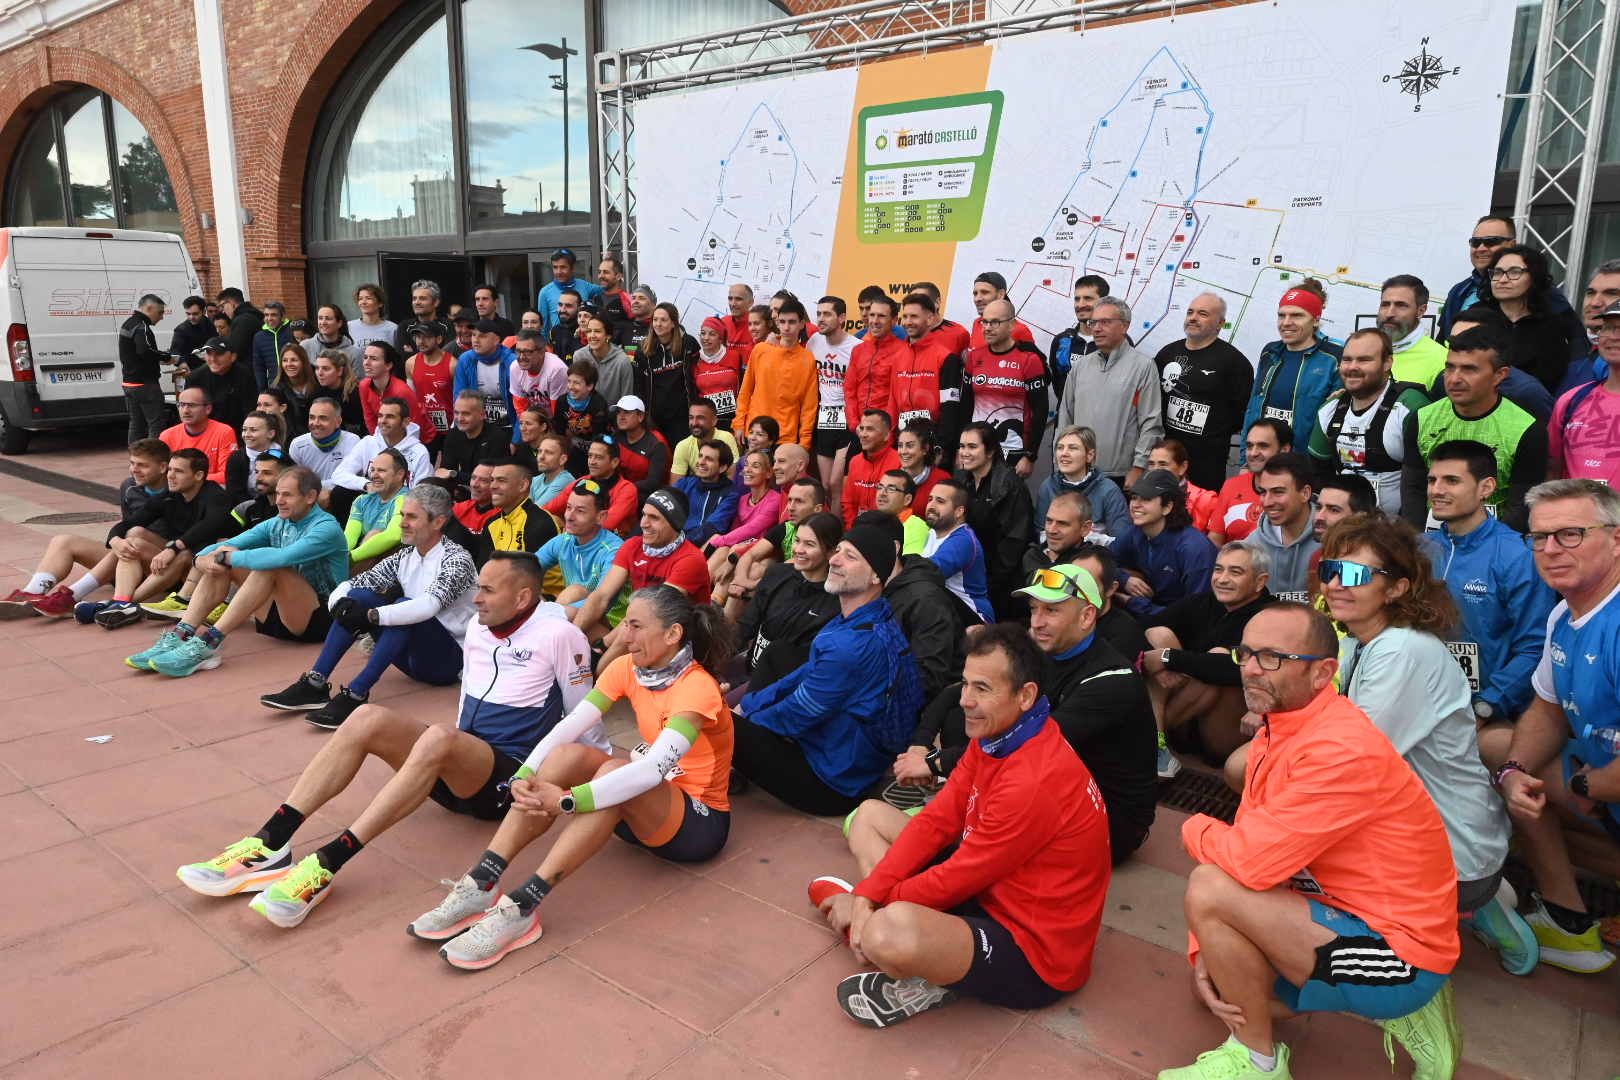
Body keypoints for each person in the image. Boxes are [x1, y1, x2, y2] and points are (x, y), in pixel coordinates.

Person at [176, 552, 593, 929]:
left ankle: (326, 864)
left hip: (506, 784)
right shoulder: (480, 629)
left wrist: (591, 788)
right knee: (366, 717)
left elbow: (582, 716)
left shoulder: (559, 635)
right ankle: (270, 843)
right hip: (458, 766)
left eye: (487, 589)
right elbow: (467, 696)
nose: (476, 598)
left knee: (439, 738)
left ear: (522, 599)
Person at [1166, 603, 1462, 1080]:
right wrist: (1202, 949)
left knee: (1209, 885)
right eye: (1246, 654)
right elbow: (1248, 843)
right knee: (1223, 992)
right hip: (1334, 906)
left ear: (1324, 673)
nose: (1250, 670)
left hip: (1399, 950)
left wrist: (1191, 827)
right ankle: (1275, 1019)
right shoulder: (1282, 723)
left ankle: (1259, 1061)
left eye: (1272, 658)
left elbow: (1246, 863)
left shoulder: (1338, 749)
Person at [421, 585, 734, 969]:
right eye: (626, 626)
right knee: (570, 756)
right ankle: (482, 880)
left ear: (672, 635)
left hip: (697, 824)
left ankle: (522, 906)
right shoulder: (628, 669)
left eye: (636, 626)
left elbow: (651, 771)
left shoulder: (697, 687)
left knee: (619, 773)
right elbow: (570, 726)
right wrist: (526, 770)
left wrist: (568, 801)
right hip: (641, 811)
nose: (624, 636)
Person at [817, 624, 1109, 1028]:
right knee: (868, 815)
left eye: (983, 689)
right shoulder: (1000, 735)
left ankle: (924, 965)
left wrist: (875, 904)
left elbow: (958, 876)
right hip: (989, 891)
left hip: (1035, 952)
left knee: (888, 933)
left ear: (1025, 696)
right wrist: (870, 894)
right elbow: (938, 820)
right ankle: (897, 933)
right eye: (966, 684)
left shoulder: (1034, 779)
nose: (966, 701)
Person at [1320, 515, 1533, 975]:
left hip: (1452, 860)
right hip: (1451, 843)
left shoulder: (1400, 651)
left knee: (1303, 876)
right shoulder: (1364, 641)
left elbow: (1351, 770)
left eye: (1354, 574)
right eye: (1328, 570)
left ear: (1395, 589)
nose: (1335, 584)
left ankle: (1445, 920)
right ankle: (1477, 905)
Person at [1484, 479, 1620, 973]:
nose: (1550, 550)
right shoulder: (1565, 611)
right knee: (1498, 749)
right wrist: (1516, 770)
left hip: (1604, 782)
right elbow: (1546, 708)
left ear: (1617, 539)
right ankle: (1568, 922)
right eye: (1539, 538)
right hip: (1602, 781)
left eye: (1570, 535)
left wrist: (1589, 784)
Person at [733, 521, 922, 815]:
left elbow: (795, 714)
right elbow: (806, 672)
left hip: (830, 784)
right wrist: (748, 704)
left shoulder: (850, 645)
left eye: (851, 556)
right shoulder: (869, 614)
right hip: (841, 752)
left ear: (875, 576)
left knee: (713, 724)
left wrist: (745, 720)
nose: (834, 559)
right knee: (780, 653)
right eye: (839, 551)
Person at [262, 483, 476, 729]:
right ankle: (315, 683)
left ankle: (356, 693)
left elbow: (428, 606)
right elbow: (354, 583)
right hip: (411, 656)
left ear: (438, 522)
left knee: (402, 608)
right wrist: (340, 604)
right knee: (359, 597)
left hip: (447, 662)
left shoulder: (457, 558)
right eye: (402, 516)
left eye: (412, 517)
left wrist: (372, 616)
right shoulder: (406, 555)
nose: (402, 523)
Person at [124, 467, 349, 677]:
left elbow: (283, 558)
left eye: (287, 495)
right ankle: (181, 635)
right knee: (223, 561)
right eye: (278, 493)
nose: (279, 501)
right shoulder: (278, 522)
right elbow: (230, 544)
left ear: (310, 497)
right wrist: (200, 559)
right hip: (278, 615)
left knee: (269, 566)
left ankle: (209, 643)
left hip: (320, 620)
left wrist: (226, 556)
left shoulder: (326, 527)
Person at [1426, 440, 1556, 727]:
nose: (1437, 490)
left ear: (1486, 488)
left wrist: (1488, 705)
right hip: (1423, 703)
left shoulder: (1517, 556)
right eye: (1432, 480)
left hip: (1492, 712)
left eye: (1451, 481)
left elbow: (1535, 646)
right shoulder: (1420, 548)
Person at [1142, 542, 1275, 780]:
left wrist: (1167, 658)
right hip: (1185, 719)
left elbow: (1233, 669)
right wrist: (1160, 662)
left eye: (1235, 572)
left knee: (1217, 658)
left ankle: (1140, 737)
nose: (1222, 579)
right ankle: (1155, 742)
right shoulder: (1201, 602)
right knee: (1158, 634)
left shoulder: (1271, 616)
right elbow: (1141, 627)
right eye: (1218, 569)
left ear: (1260, 581)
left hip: (1226, 733)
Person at [1401, 325, 1547, 531]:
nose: (1454, 379)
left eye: (1469, 369)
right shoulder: (1422, 418)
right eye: (1450, 367)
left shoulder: (1527, 430)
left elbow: (1522, 507)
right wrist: (1417, 543)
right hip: (1432, 541)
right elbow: (1413, 490)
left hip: (1496, 543)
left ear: (1499, 375)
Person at [0, 440, 167, 618]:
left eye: (143, 465)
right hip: (127, 563)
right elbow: (124, 525)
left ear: (163, 467)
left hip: (160, 566)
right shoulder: (129, 487)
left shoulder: (176, 491)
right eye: (132, 463)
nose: (135, 469)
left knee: (135, 534)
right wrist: (116, 541)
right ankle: (32, 594)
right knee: (63, 541)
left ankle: (72, 596)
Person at [573, 488, 712, 664]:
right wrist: (571, 638)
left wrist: (602, 648)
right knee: (575, 619)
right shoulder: (633, 545)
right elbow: (601, 596)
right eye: (644, 515)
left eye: (654, 518)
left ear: (674, 523)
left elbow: (652, 613)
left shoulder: (691, 559)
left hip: (677, 640)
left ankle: (597, 677)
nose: (644, 524)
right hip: (638, 626)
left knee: (604, 665)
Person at [1305, 328, 1430, 516]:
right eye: (1347, 359)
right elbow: (1318, 474)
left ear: (1388, 362)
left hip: (1397, 531)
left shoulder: (1410, 406)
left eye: (1364, 360)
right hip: (1345, 527)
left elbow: (1429, 481)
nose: (1352, 367)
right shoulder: (1330, 409)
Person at [1055, 296, 1162, 488]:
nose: (1096, 328)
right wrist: (1059, 465)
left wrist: (1139, 466)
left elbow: (1151, 423)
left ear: (1124, 326)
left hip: (1120, 476)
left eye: (1105, 322)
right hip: (1077, 472)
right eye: (1093, 322)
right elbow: (1065, 417)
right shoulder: (1080, 367)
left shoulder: (1143, 367)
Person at [1152, 292, 1253, 489]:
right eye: (1190, 312)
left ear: (1220, 323)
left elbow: (1242, 413)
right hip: (1165, 459)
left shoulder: (1235, 363)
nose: (1193, 317)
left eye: (1203, 314)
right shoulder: (1167, 354)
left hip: (1206, 464)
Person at [735, 512, 842, 692]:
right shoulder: (777, 573)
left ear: (831, 552)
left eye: (809, 544)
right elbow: (746, 625)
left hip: (779, 686)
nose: (798, 549)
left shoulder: (834, 603)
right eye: (797, 540)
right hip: (748, 667)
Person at [1239, 282, 1342, 452]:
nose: (1286, 322)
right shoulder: (1270, 352)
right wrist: (1245, 460)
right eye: (1281, 315)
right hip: (1262, 458)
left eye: (1296, 315)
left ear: (1315, 320)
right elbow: (1252, 409)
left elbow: (1332, 421)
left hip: (1303, 465)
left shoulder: (1333, 358)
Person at [1483, 244, 1589, 392]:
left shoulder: (1552, 324)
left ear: (1534, 277)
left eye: (1514, 272)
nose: (1502, 280)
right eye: (1497, 272)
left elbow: (1552, 379)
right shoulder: (1476, 318)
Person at [1112, 469, 1217, 618]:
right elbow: (1103, 560)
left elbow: (1196, 614)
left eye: (1146, 499)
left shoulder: (1194, 548)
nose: (1135, 505)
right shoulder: (1136, 531)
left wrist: (1131, 603)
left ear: (1167, 507)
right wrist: (1124, 579)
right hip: (1148, 612)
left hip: (1179, 626)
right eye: (1134, 497)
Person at [955, 422, 1034, 619]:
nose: (964, 452)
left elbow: (1014, 542)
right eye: (962, 446)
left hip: (1000, 585)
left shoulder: (1010, 485)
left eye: (972, 447)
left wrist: (987, 581)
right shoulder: (963, 480)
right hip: (970, 575)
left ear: (990, 451)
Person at [962, 298, 1047, 478]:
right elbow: (966, 405)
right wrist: (961, 448)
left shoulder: (1029, 360)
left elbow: (1040, 411)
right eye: (984, 322)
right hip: (978, 450)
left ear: (1011, 325)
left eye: (995, 322)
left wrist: (1030, 456)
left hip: (1013, 452)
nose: (988, 327)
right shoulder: (974, 357)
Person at [725, 476, 829, 611]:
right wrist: (740, 580)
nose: (790, 507)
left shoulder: (826, 532)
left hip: (811, 594)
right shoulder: (786, 527)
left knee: (768, 568)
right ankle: (726, 627)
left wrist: (754, 584)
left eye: (799, 502)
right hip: (781, 583)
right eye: (789, 500)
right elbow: (750, 554)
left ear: (817, 509)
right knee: (757, 566)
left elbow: (789, 566)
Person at [537, 478, 626, 633]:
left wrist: (550, 612)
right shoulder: (564, 540)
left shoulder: (613, 550)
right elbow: (528, 569)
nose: (569, 516)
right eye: (568, 507)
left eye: (580, 511)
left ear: (601, 517)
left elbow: (600, 602)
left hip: (614, 629)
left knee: (574, 592)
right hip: (571, 617)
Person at [1549, 298, 1620, 483]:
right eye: (1608, 327)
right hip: (1572, 510)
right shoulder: (1572, 399)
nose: (1614, 336)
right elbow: (1552, 468)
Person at [735, 296, 817, 451]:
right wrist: (739, 423)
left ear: (801, 324)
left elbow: (809, 405)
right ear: (777, 322)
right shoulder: (761, 350)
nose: (786, 327)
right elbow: (745, 391)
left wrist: (805, 441)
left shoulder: (807, 359)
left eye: (792, 322)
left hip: (785, 436)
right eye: (782, 322)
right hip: (754, 432)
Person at [893, 293, 966, 461]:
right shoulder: (897, 356)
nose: (908, 322)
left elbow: (950, 407)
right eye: (905, 316)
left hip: (933, 446)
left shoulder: (947, 358)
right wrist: (892, 440)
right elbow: (893, 401)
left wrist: (941, 446)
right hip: (903, 442)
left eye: (914, 316)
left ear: (930, 318)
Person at [921, 476, 994, 624]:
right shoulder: (931, 533)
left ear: (959, 511)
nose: (931, 505)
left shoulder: (963, 540)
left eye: (940, 501)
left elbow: (929, 573)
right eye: (930, 499)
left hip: (973, 619)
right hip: (946, 614)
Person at [1035, 426, 1130, 539]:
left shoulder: (1109, 490)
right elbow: (1040, 532)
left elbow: (1121, 540)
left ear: (1089, 455)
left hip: (1097, 555)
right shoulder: (1048, 487)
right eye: (1060, 448)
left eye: (1072, 448)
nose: (1064, 453)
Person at [1208, 418, 1291, 546]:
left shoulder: (1297, 492)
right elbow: (1214, 542)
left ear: (1284, 450)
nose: (1253, 453)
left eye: (1263, 446)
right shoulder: (1232, 486)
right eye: (1249, 446)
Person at [1248, 453, 1319, 598]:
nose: (1267, 502)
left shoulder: (1335, 541)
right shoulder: (1250, 546)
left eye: (1278, 492)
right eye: (1263, 492)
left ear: (1305, 493)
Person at [808, 295, 857, 495]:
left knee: (838, 483)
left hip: (847, 421)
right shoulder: (814, 341)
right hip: (823, 419)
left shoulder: (856, 347)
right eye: (819, 313)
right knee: (826, 486)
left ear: (842, 318)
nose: (821, 318)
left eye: (827, 314)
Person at [542, 435, 638, 538]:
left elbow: (606, 524)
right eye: (590, 456)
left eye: (598, 457)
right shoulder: (581, 482)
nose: (591, 462)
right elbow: (547, 508)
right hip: (579, 537)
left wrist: (568, 526)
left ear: (614, 462)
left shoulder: (627, 490)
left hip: (613, 545)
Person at [1438, 215, 1516, 341]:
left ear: (1512, 245)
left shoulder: (1532, 289)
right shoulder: (1458, 291)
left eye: (1491, 241)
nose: (1481, 248)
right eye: (1475, 243)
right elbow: (1442, 341)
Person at [331, 397, 433, 494]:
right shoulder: (368, 442)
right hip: (370, 498)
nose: (383, 421)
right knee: (340, 492)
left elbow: (422, 492)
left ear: (405, 422)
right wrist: (366, 484)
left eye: (390, 416)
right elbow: (339, 474)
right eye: (380, 416)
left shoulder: (419, 451)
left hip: (401, 505)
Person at [1073, 542, 1150, 661]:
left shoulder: (1124, 635)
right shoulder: (1060, 616)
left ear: (1110, 589)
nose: (1076, 591)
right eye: (1072, 583)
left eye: (1087, 584)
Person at [706, 447, 779, 570]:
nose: (748, 470)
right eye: (746, 465)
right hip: (741, 547)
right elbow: (736, 530)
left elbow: (751, 529)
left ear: (768, 473)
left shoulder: (775, 499)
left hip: (763, 550)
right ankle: (700, 582)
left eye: (755, 466)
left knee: (728, 546)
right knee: (723, 549)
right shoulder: (742, 499)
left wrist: (718, 540)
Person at [356, 341, 436, 445]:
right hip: (389, 437)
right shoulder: (363, 386)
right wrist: (379, 444)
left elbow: (413, 427)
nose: (366, 363)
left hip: (421, 440)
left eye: (373, 359)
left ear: (388, 365)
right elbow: (370, 419)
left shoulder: (401, 391)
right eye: (365, 357)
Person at [286, 396, 361, 506]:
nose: (315, 423)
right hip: (309, 499)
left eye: (323, 418)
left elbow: (352, 477)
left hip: (341, 499)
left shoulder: (352, 441)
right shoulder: (297, 444)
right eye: (312, 417)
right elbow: (296, 480)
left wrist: (327, 491)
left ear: (338, 421)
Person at [846, 295, 905, 429]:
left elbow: (897, 398)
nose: (875, 320)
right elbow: (850, 390)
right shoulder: (858, 350)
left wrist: (886, 429)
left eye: (881, 316)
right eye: (872, 315)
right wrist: (854, 424)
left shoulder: (903, 351)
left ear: (894, 320)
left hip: (885, 430)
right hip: (859, 428)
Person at [1048, 274, 1111, 400]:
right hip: (1066, 417)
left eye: (1087, 298)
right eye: (1077, 299)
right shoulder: (1061, 341)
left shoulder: (1118, 342)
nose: (1080, 304)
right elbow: (1057, 381)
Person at [1378, 275, 1448, 388]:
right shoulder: (1361, 350)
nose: (1389, 313)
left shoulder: (1442, 361)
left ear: (1421, 311)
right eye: (1385, 304)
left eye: (1401, 306)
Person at [344, 448, 407, 568]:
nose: (374, 475)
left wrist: (350, 558)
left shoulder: (405, 499)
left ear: (399, 475)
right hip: (359, 560)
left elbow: (393, 536)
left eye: (381, 471)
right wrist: (338, 557)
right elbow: (349, 538)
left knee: (375, 534)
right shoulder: (361, 501)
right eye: (372, 470)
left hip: (394, 564)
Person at [160, 386, 237, 484]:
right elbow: (161, 473)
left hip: (211, 490)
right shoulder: (167, 435)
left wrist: (189, 479)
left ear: (208, 409)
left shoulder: (224, 432)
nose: (185, 411)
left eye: (191, 405)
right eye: (181, 405)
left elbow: (227, 475)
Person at [119, 293, 169, 441]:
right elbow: (145, 350)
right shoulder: (142, 326)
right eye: (160, 312)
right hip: (145, 384)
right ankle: (154, 460)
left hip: (129, 383)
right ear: (149, 308)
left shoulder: (128, 323)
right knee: (156, 424)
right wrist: (166, 356)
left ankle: (135, 461)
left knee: (136, 424)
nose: (161, 317)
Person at [435, 389, 511, 486]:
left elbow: (489, 479)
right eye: (456, 413)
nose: (459, 418)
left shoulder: (498, 438)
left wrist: (454, 475)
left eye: (466, 414)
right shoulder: (453, 435)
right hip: (463, 490)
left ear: (482, 415)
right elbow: (444, 471)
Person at [186, 336, 259, 435]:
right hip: (205, 432)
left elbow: (250, 410)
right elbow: (190, 411)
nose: (213, 359)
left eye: (219, 354)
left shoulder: (245, 375)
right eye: (208, 354)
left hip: (237, 431)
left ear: (233, 357)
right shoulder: (195, 378)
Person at [454, 318, 517, 431]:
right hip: (478, 427)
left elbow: (520, 404)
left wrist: (516, 439)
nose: (476, 340)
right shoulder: (465, 360)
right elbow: (459, 397)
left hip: (508, 426)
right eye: (473, 335)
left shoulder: (512, 362)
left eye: (482, 336)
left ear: (496, 340)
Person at [674, 439, 739, 547]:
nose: (701, 462)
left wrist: (677, 544)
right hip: (671, 540)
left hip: (698, 547)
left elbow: (711, 529)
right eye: (700, 456)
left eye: (708, 459)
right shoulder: (684, 483)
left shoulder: (730, 494)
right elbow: (659, 507)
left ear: (722, 467)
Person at [841, 409, 901, 527]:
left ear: (887, 435)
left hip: (885, 530)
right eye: (862, 428)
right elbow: (848, 502)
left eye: (870, 429)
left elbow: (897, 506)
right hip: (857, 530)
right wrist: (853, 529)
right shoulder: (855, 461)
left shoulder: (899, 462)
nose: (863, 434)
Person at [552, 359, 611, 476]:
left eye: (576, 383)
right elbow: (559, 431)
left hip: (592, 452)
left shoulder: (598, 404)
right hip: (570, 450)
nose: (571, 387)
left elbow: (600, 437)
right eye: (569, 381)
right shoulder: (562, 401)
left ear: (590, 386)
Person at [1145, 438, 1219, 533]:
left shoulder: (1206, 500)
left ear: (1183, 467)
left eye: (1163, 464)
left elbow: (1214, 545)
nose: (1155, 470)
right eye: (1151, 464)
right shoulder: (1140, 496)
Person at [1022, 490, 1093, 578]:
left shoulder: (1093, 565)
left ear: (1085, 528)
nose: (1051, 530)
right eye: (1049, 521)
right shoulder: (1031, 557)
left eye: (1062, 524)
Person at [611, 394, 671, 498]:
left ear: (640, 416)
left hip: (648, 496)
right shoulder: (617, 437)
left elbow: (654, 482)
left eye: (627, 412)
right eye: (618, 412)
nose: (621, 416)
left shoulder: (657, 444)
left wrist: (624, 488)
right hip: (622, 490)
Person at [691, 319, 743, 434]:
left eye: (712, 334)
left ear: (720, 338)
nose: (706, 338)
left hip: (732, 419)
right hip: (706, 421)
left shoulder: (735, 356)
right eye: (703, 333)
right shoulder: (694, 360)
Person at [572, 314, 635, 407]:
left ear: (608, 335)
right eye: (589, 331)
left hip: (613, 417)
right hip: (585, 415)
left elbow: (626, 398)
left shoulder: (622, 361)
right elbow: (575, 391)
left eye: (597, 331)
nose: (592, 335)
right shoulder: (579, 356)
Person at [669, 397, 739, 479]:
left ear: (714, 421)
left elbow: (732, 477)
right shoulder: (682, 446)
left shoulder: (726, 438)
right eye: (691, 417)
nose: (694, 423)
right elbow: (676, 485)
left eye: (700, 418)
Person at [222, 410, 283, 503]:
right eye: (244, 429)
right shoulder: (236, 458)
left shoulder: (282, 457)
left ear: (270, 434)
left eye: (253, 430)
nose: (247, 434)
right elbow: (234, 493)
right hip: (246, 510)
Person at [537, 248, 603, 332]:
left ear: (572, 268)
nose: (558, 272)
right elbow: (543, 328)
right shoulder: (545, 292)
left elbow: (607, 290)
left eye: (563, 267)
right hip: (558, 342)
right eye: (555, 267)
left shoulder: (585, 286)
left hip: (583, 341)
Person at [966, 271, 1035, 348]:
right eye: (975, 294)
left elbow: (1032, 359)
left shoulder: (1019, 330)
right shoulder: (977, 323)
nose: (977, 299)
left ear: (1001, 294)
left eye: (985, 292)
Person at [895, 419, 948, 518]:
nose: (903, 451)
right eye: (900, 445)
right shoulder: (891, 476)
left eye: (909, 446)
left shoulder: (942, 480)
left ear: (925, 449)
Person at [874, 468, 929, 555]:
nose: (882, 493)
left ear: (907, 499)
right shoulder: (871, 521)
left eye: (891, 489)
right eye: (880, 487)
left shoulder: (916, 527)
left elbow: (910, 566)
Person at [311, 347, 365, 435]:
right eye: (317, 368)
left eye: (326, 369)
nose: (319, 373)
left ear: (340, 371)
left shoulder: (354, 394)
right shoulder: (317, 391)